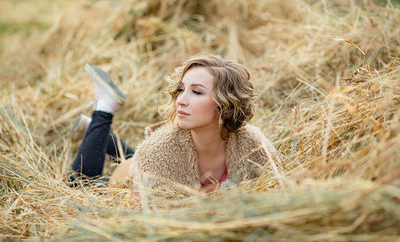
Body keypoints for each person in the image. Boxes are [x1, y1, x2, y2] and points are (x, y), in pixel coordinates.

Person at [70, 55, 277, 194]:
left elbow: (277, 189)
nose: (181, 100)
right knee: (78, 186)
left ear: (225, 105)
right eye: (180, 89)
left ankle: (99, 136)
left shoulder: (253, 145)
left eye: (196, 92)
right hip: (127, 180)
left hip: (153, 159)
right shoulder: (158, 154)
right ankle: (104, 109)